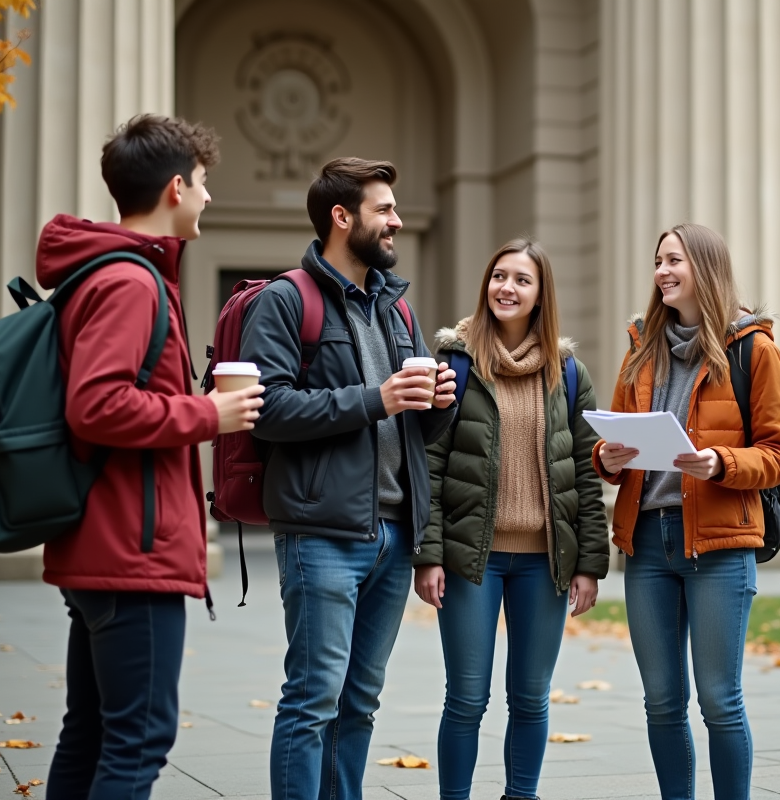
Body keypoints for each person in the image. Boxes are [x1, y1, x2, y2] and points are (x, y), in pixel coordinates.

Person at [40, 115, 265, 799]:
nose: (206, 198)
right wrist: (210, 415)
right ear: (176, 186)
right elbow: (97, 405)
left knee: (92, 734)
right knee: (137, 741)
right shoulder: (131, 284)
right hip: (132, 556)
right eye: (202, 184)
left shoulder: (109, 276)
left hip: (108, 546)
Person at [239, 157, 457, 800]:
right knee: (313, 699)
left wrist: (434, 407)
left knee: (359, 702)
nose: (397, 220)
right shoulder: (286, 301)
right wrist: (378, 398)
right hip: (320, 534)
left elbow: (410, 432)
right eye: (384, 209)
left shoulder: (398, 311)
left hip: (390, 535)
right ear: (342, 217)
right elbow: (267, 409)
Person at [593, 223, 780, 800]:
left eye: (674, 261)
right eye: (658, 261)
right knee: (661, 699)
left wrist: (720, 463)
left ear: (704, 269)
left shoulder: (754, 349)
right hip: (648, 545)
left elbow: (779, 455)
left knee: (718, 700)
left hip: (719, 546)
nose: (661, 272)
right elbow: (612, 447)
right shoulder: (641, 347)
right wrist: (607, 456)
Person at [413, 238, 609, 800]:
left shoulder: (568, 373)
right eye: (500, 276)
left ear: (541, 293)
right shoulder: (454, 363)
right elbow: (428, 462)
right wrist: (428, 555)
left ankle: (521, 795)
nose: (507, 288)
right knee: (467, 698)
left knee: (530, 697)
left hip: (543, 563)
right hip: (472, 558)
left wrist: (590, 563)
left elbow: (585, 472)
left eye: (522, 280)